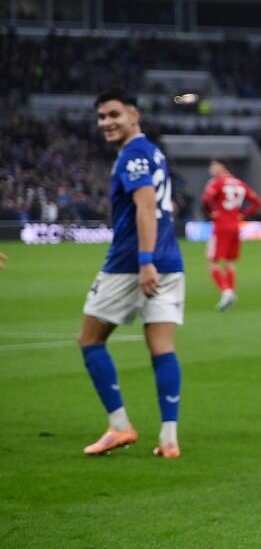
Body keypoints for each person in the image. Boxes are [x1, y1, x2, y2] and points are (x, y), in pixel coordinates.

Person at [78, 89, 186, 459]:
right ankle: (169, 439)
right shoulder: (153, 152)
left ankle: (120, 426)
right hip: (170, 260)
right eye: (101, 117)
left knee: (90, 340)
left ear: (134, 115)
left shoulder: (134, 155)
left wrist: (144, 260)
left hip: (131, 262)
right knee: (162, 348)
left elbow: (145, 206)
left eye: (114, 115)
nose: (106, 122)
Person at [201, 160, 261, 311]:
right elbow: (257, 202)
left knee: (212, 260)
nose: (211, 169)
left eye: (214, 166)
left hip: (221, 226)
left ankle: (226, 291)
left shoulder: (217, 182)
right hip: (235, 226)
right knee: (229, 262)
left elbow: (205, 199)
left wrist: (211, 212)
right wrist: (243, 214)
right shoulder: (239, 183)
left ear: (222, 167)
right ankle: (231, 294)